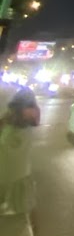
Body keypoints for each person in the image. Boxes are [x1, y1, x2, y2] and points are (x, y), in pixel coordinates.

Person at [0, 83, 39, 215]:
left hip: (9, 169)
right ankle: (15, 208)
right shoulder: (29, 118)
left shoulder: (12, 120)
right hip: (20, 171)